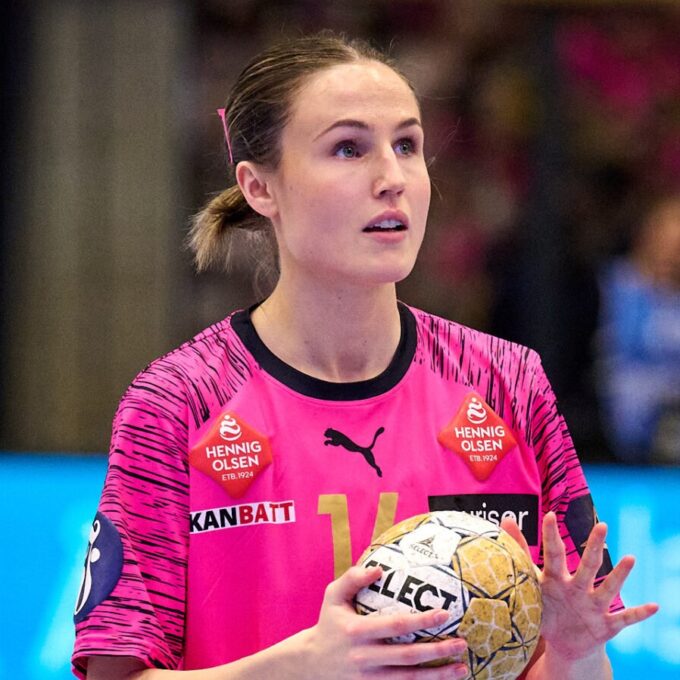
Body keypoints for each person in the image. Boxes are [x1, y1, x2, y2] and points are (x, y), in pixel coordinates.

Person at [72, 32, 657, 680]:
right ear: (259, 187)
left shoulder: (507, 382)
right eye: (348, 148)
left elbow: (570, 668)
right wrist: (305, 666)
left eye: (407, 146)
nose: (392, 179)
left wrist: (576, 654)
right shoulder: (179, 401)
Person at [597, 195, 680, 463]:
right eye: (668, 243)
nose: (672, 255)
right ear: (648, 237)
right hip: (628, 413)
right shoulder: (615, 285)